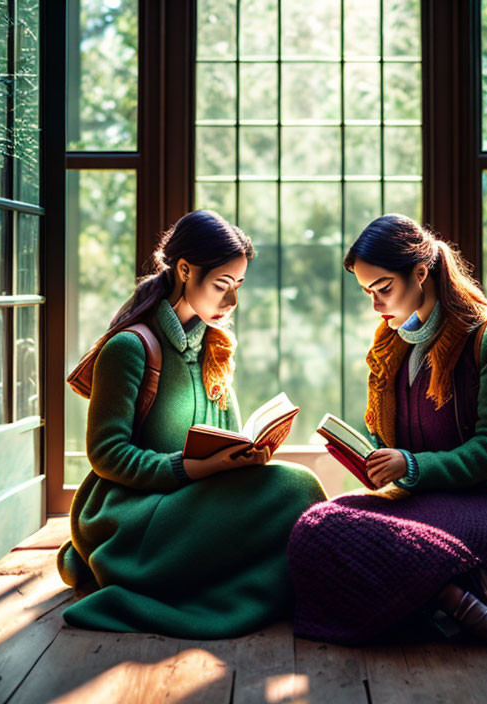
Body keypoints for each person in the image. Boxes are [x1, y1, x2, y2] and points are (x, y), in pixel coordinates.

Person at [287, 213, 487, 648]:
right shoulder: (391, 344)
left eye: (383, 289)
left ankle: (457, 598)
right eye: (367, 292)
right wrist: (372, 457)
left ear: (421, 272)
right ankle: (455, 596)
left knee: (351, 540)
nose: (375, 305)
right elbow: (389, 441)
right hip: (423, 500)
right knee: (314, 526)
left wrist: (409, 465)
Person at [58, 210, 327, 638]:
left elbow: (228, 435)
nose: (232, 301)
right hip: (129, 509)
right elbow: (106, 455)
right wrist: (189, 468)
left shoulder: (214, 348)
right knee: (296, 488)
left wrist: (247, 454)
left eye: (238, 286)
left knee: (297, 486)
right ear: (185, 270)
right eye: (222, 285)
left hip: (194, 495)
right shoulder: (129, 348)